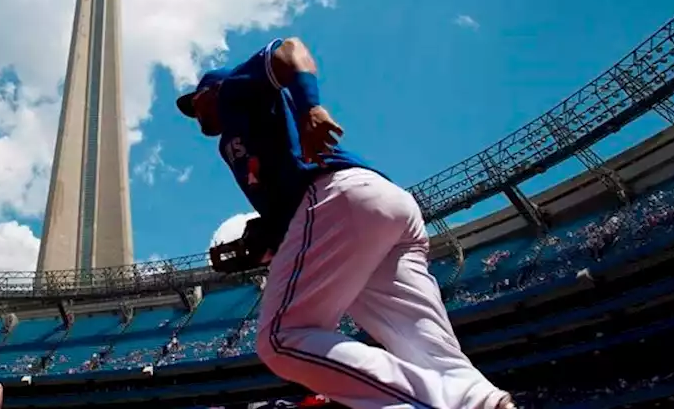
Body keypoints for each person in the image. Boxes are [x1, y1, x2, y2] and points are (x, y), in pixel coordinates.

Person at [178, 37, 516, 409]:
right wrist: (268, 240)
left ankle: (429, 404)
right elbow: (285, 202)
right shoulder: (236, 136)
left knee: (281, 337)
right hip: (381, 204)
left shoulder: (233, 92)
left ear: (211, 90)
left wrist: (311, 107)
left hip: (338, 196)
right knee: (422, 344)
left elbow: (290, 50)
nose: (193, 109)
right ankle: (482, 402)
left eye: (194, 100)